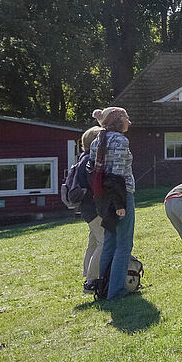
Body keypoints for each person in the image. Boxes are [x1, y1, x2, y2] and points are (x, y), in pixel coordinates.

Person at [90, 106, 137, 300]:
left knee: (109, 242)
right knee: (124, 244)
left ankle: (104, 287)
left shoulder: (96, 141)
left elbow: (94, 171)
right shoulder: (120, 141)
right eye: (126, 117)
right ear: (118, 119)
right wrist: (120, 205)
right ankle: (116, 291)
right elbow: (117, 174)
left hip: (102, 197)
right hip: (121, 195)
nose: (129, 122)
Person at [79, 124, 103, 292]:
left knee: (93, 243)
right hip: (94, 208)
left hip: (86, 209)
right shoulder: (90, 161)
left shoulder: (82, 158)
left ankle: (88, 276)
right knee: (105, 242)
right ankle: (91, 281)